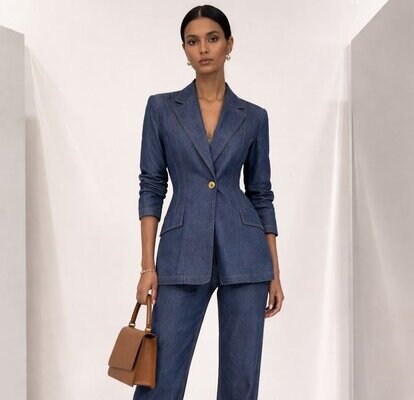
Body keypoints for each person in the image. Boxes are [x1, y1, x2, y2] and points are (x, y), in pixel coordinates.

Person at [133, 5, 284, 400]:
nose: (203, 48)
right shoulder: (162, 109)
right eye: (193, 41)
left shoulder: (253, 117)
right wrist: (148, 267)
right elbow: (152, 186)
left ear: (229, 44)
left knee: (240, 383)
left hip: (246, 256)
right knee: (158, 380)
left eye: (212, 38)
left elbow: (261, 193)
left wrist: (274, 270)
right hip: (181, 254)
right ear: (184, 49)